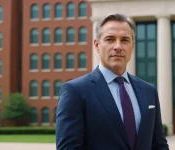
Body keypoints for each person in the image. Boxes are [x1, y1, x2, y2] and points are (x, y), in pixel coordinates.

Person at [56, 13, 169, 150]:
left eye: (125, 40)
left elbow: (159, 145)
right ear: (97, 45)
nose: (118, 46)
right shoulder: (75, 91)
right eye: (110, 39)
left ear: (132, 47)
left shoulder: (149, 90)